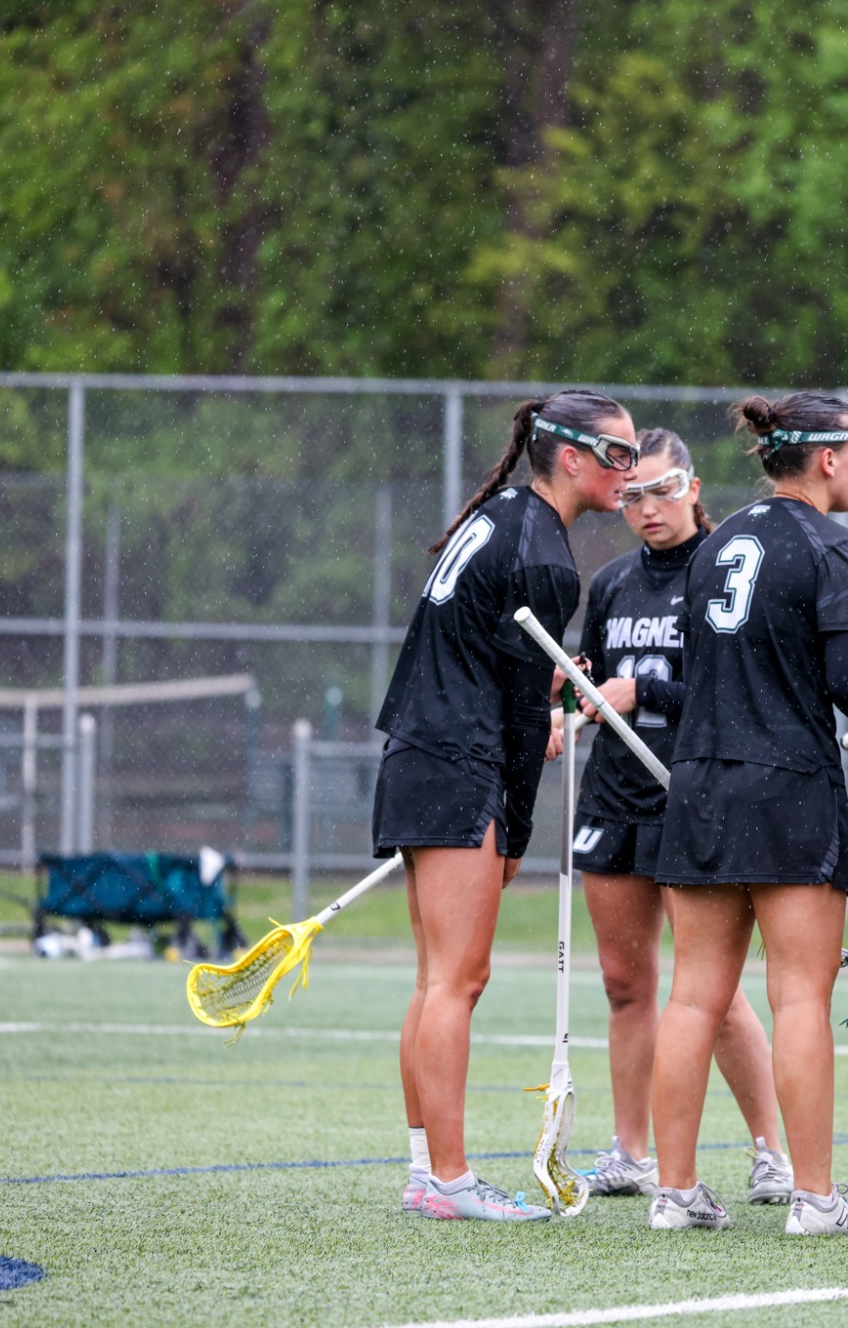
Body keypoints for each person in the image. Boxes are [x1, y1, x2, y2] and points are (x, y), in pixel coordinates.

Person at [374, 389, 630, 1221]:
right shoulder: (546, 556)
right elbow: (525, 714)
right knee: (459, 978)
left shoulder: (507, 519)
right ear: (571, 458)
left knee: (432, 980)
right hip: (460, 763)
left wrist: (538, 700)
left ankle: (427, 1173)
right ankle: (448, 1179)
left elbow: (501, 666)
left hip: (420, 751)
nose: (628, 472)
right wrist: (516, 825)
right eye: (617, 456)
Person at [649, 391, 848, 1236]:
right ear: (827, 457)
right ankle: (815, 1199)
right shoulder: (840, 548)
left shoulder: (714, 544)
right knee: (798, 997)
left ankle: (673, 1191)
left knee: (692, 997)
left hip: (699, 781)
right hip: (788, 780)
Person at [565, 429, 793, 1207]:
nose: (647, 508)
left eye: (663, 490)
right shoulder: (617, 582)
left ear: (694, 487)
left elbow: (737, 690)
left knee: (715, 990)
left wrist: (645, 695)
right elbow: (598, 682)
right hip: (615, 794)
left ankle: (772, 1150)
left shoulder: (723, 569)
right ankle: (631, 1150)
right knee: (625, 982)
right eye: (632, 495)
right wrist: (575, 708)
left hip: (692, 793)